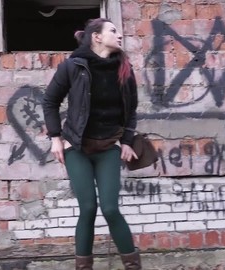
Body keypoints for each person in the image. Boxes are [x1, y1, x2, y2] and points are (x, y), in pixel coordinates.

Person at [43, 18, 141, 270]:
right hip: (78, 149)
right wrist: (56, 138)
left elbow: (132, 110)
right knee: (87, 207)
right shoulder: (73, 66)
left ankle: (132, 265)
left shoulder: (124, 68)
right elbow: (50, 102)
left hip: (108, 147)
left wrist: (127, 141)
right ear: (96, 37)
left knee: (110, 208)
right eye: (113, 31)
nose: (120, 36)